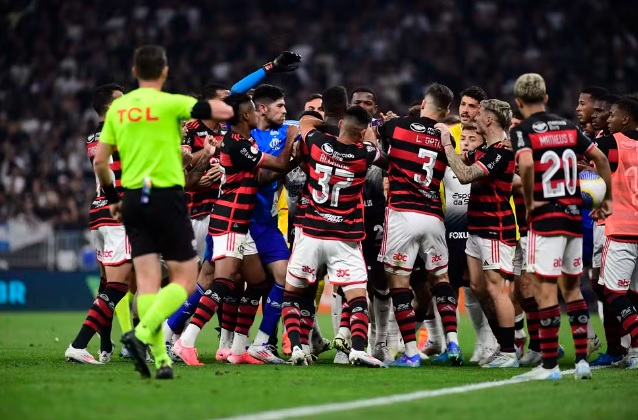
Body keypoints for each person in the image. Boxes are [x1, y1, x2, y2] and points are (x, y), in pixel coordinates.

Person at [94, 45, 234, 379]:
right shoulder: (172, 103)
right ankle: (141, 337)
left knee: (147, 285)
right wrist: (221, 103)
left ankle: (161, 361)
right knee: (185, 282)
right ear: (165, 71)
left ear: (133, 72)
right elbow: (222, 112)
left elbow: (101, 161)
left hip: (131, 199)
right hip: (167, 198)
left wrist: (113, 197)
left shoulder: (119, 109)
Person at [172, 93, 295, 365]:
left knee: (258, 281)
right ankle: (185, 341)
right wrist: (291, 138)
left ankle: (239, 351)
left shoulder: (244, 141)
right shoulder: (237, 144)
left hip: (242, 225)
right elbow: (279, 165)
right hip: (228, 222)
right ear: (244, 116)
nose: (255, 114)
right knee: (224, 282)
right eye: (252, 111)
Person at [511, 73, 612, 381]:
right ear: (546, 97)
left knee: (544, 289)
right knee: (572, 288)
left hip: (547, 217)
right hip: (572, 216)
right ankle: (582, 361)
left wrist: (529, 202)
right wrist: (605, 199)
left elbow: (526, 164)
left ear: (518, 102)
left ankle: (550, 366)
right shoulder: (568, 127)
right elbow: (599, 157)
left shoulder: (524, 130)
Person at [283, 105, 385, 368]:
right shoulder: (364, 154)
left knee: (292, 294)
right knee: (358, 296)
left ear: (341, 124)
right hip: (344, 237)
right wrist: (370, 131)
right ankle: (359, 349)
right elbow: (374, 142)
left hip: (311, 233)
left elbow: (305, 121)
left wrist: (327, 127)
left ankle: (296, 347)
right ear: (360, 133)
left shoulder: (318, 143)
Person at [376, 83, 460, 367]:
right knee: (441, 280)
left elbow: (377, 135)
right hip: (434, 216)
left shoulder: (397, 127)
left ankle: (411, 353)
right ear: (446, 111)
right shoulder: (447, 137)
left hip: (402, 213)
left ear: (423, 103)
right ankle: (453, 343)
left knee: (398, 282)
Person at [442, 99, 518, 368]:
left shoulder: (501, 152)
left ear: (489, 120)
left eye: (481, 112)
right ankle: (503, 345)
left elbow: (463, 175)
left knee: (497, 290)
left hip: (494, 228)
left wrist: (446, 141)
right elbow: (461, 161)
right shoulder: (487, 150)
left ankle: (509, 352)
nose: (475, 116)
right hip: (476, 227)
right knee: (477, 287)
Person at [65, 83, 134, 365]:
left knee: (107, 284)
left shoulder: (94, 136)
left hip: (98, 214)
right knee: (120, 286)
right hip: (118, 214)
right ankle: (79, 344)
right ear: (109, 107)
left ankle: (105, 345)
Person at [439, 122, 487, 363]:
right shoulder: (450, 165)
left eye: (472, 139)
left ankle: (485, 343)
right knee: (449, 286)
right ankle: (451, 344)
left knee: (478, 289)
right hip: (452, 234)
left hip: (478, 232)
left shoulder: (487, 165)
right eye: (464, 139)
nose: (467, 143)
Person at [596, 96, 638, 369]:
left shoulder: (613, 142)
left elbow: (585, 153)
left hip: (621, 227)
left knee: (612, 292)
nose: (608, 120)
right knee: (633, 294)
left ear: (625, 118)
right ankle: (634, 355)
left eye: (612, 114)